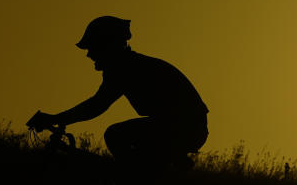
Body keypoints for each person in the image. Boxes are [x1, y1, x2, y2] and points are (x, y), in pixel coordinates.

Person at [30, 16, 209, 172]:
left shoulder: (124, 68)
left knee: (116, 135)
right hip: (183, 127)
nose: (89, 55)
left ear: (107, 46)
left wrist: (56, 119)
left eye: (93, 48)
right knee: (131, 156)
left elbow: (96, 105)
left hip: (184, 128)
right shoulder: (129, 64)